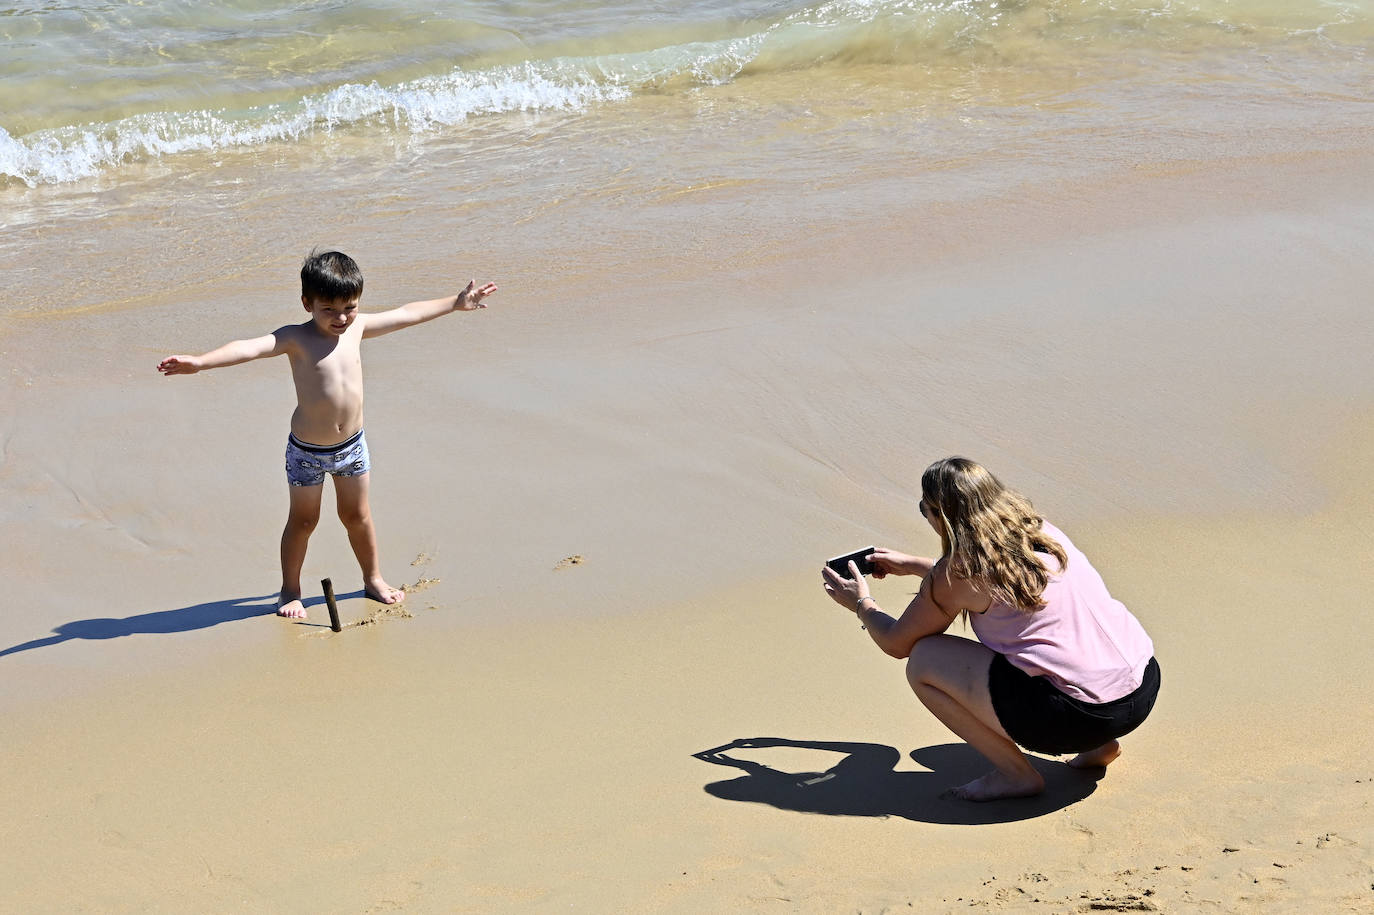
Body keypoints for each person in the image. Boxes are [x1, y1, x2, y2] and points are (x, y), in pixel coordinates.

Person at [158, 250, 498, 620]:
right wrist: (200, 362)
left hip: (352, 448)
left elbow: (405, 313)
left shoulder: (358, 326)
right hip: (306, 452)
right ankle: (290, 590)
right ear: (307, 303)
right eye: (329, 310)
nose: (341, 318)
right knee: (304, 521)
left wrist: (455, 303)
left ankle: (373, 579)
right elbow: (248, 348)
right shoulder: (295, 339)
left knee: (357, 516)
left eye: (349, 307)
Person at [821, 456, 1160, 802]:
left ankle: (1017, 775)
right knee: (1064, 638)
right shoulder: (1039, 529)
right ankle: (1100, 747)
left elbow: (896, 643)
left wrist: (861, 603)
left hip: (1080, 716)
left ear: (945, 516)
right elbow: (999, 584)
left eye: (926, 509)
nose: (925, 515)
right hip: (1141, 688)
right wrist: (914, 566)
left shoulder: (958, 573)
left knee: (923, 661)